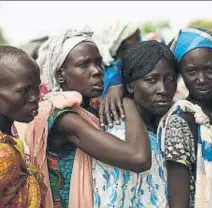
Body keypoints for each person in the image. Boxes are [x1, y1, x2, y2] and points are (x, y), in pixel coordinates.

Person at [24, 28, 151, 208]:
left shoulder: (93, 106)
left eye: (99, 63)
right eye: (84, 65)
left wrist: (119, 89)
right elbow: (139, 158)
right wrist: (128, 100)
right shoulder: (63, 118)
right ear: (61, 75)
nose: (97, 71)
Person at [158, 28, 212, 207]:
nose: (201, 79)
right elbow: (178, 201)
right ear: (182, 73)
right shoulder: (181, 121)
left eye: (209, 69)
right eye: (191, 71)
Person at [93, 40, 178, 207]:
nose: (163, 89)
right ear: (131, 85)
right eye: (151, 80)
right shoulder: (119, 135)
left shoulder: (167, 125)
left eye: (169, 78)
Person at [0, 46, 46, 207]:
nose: (35, 98)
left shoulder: (10, 137)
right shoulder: (4, 154)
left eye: (36, 88)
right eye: (24, 90)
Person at [95, 20, 141, 128]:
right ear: (121, 43)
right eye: (136, 39)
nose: (140, 42)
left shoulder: (128, 66)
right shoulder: (113, 73)